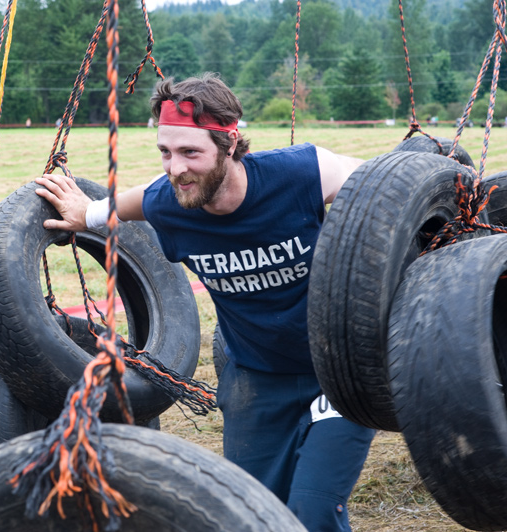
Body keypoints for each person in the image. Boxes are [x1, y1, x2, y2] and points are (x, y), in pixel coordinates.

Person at [35, 73, 375, 532]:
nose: (176, 168)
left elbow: (389, 191)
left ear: (230, 143)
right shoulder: (169, 200)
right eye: (165, 152)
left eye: (190, 152)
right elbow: (123, 205)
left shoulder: (302, 172)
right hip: (256, 376)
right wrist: (86, 214)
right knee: (251, 515)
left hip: (338, 371)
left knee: (312, 512)